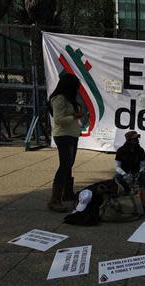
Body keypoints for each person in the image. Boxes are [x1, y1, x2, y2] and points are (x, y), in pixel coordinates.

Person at [48, 73, 86, 212]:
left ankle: (67, 193)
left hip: (72, 134)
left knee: (69, 164)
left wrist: (77, 113)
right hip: (63, 135)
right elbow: (58, 120)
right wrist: (74, 116)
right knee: (64, 165)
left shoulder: (69, 98)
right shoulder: (59, 99)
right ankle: (55, 199)